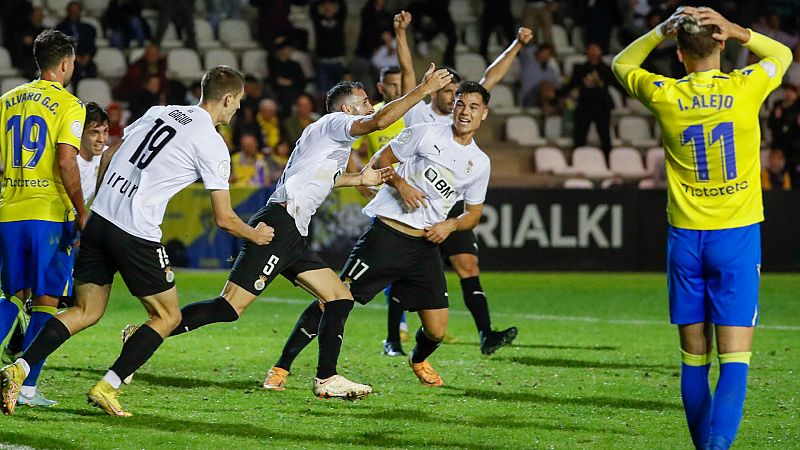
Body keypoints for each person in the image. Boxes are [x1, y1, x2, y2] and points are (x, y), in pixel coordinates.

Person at [122, 67, 454, 400]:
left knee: (339, 297)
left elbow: (319, 176)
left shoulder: (328, 137)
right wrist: (423, 90)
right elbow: (378, 123)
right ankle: (143, 335)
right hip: (279, 225)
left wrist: (360, 179)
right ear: (347, 109)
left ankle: (327, 378)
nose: (372, 107)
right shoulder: (333, 124)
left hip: (293, 230)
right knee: (228, 308)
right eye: (366, 102)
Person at [0, 66, 275, 417]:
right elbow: (224, 218)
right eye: (238, 101)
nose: (237, 109)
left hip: (100, 219)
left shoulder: (161, 112)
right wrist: (256, 234)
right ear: (227, 98)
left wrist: (100, 200)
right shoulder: (212, 143)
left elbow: (112, 152)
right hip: (135, 232)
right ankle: (108, 386)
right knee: (167, 315)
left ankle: (17, 370)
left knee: (85, 311)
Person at [612, 6, 792, 449]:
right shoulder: (746, 87)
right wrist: (740, 30)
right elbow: (783, 54)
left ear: (677, 53)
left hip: (687, 242)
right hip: (736, 237)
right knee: (735, 360)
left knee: (694, 361)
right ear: (721, 44)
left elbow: (621, 64)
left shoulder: (665, 94)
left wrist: (658, 29)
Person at [263, 81, 492, 390]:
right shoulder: (425, 132)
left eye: (473, 107)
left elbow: (473, 214)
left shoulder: (479, 163)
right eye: (461, 104)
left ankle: (418, 358)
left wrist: (450, 225)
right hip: (387, 237)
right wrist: (401, 184)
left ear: (484, 114)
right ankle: (282, 367)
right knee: (332, 298)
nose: (465, 112)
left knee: (437, 330)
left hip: (425, 246)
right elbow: (380, 161)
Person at [387, 11, 529, 356]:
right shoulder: (420, 114)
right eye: (449, 91)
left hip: (451, 206)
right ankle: (393, 338)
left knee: (469, 265)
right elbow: (407, 73)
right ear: (436, 90)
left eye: (458, 94)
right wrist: (402, 33)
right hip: (418, 202)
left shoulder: (466, 114)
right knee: (402, 271)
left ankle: (486, 334)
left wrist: (516, 45)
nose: (455, 99)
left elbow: (489, 81)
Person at [0, 30, 88, 415]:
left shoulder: (6, 100)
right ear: (66, 63)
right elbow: (67, 160)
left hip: (9, 211)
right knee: (47, 301)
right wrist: (82, 211)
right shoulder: (69, 104)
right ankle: (27, 386)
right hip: (49, 214)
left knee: (12, 297)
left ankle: (21, 384)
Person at [2, 103, 110, 407]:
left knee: (18, 295)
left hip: (18, 215)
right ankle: (27, 387)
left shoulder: (102, 161)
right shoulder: (71, 161)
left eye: (104, 131)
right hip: (51, 225)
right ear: (79, 134)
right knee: (46, 302)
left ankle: (22, 371)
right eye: (94, 132)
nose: (101, 139)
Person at [561, 42, 624, 158]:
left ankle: (608, 161)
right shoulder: (580, 69)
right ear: (587, 52)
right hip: (584, 106)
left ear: (600, 52)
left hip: (602, 106)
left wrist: (631, 94)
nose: (593, 52)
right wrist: (556, 95)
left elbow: (617, 85)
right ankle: (578, 159)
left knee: (605, 136)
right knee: (579, 135)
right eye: (591, 49)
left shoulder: (606, 69)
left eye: (596, 49)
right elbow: (570, 85)